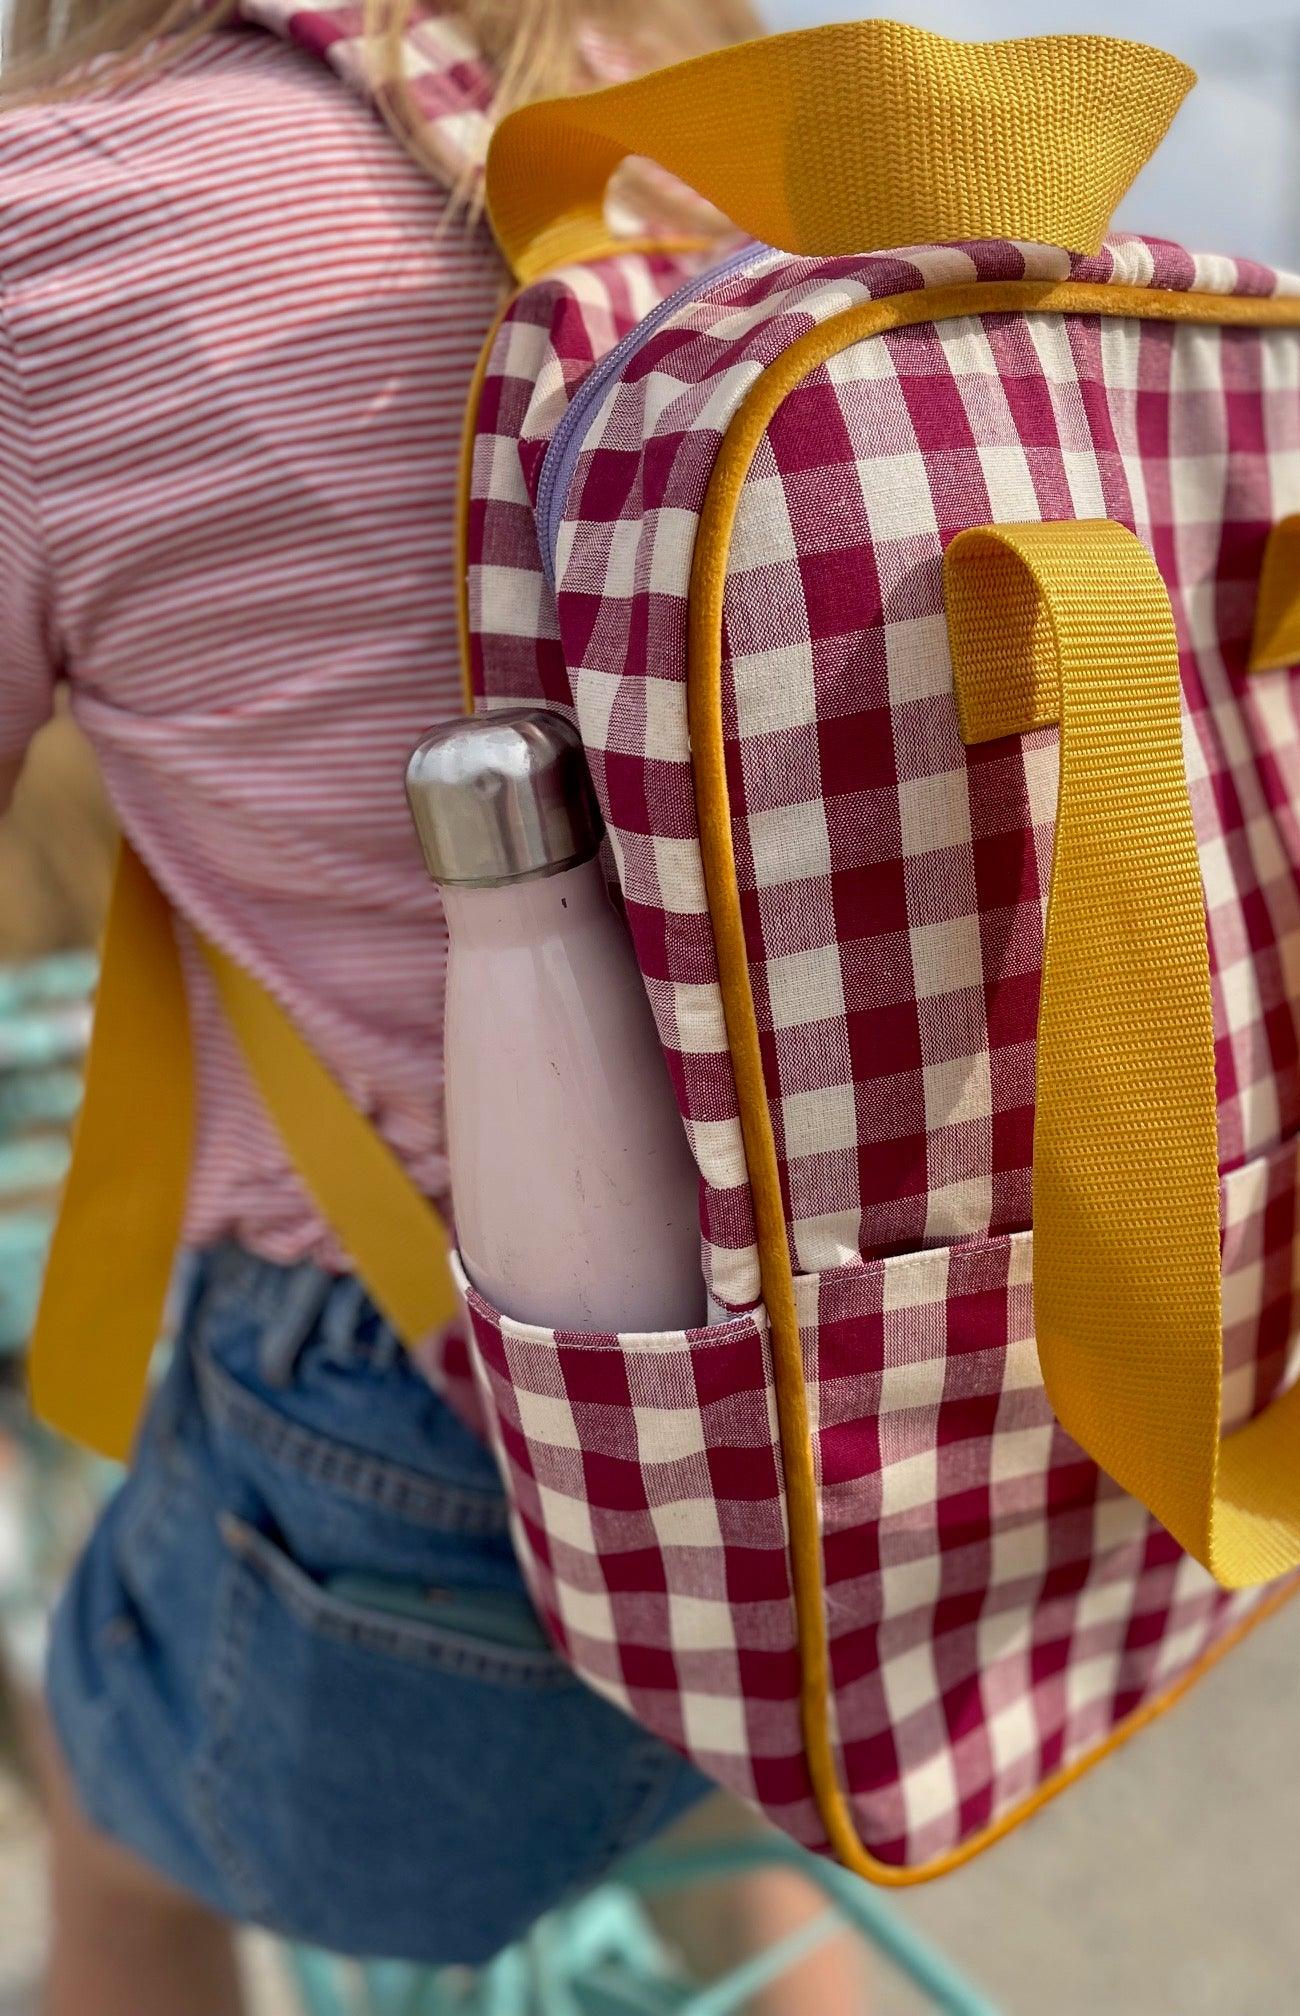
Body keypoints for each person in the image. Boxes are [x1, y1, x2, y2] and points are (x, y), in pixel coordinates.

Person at [0, 1, 865, 2009]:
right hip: (942, 1415)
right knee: (728, 1819)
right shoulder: (732, 140)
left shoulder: (64, 208)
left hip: (458, 1471)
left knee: (110, 1812)